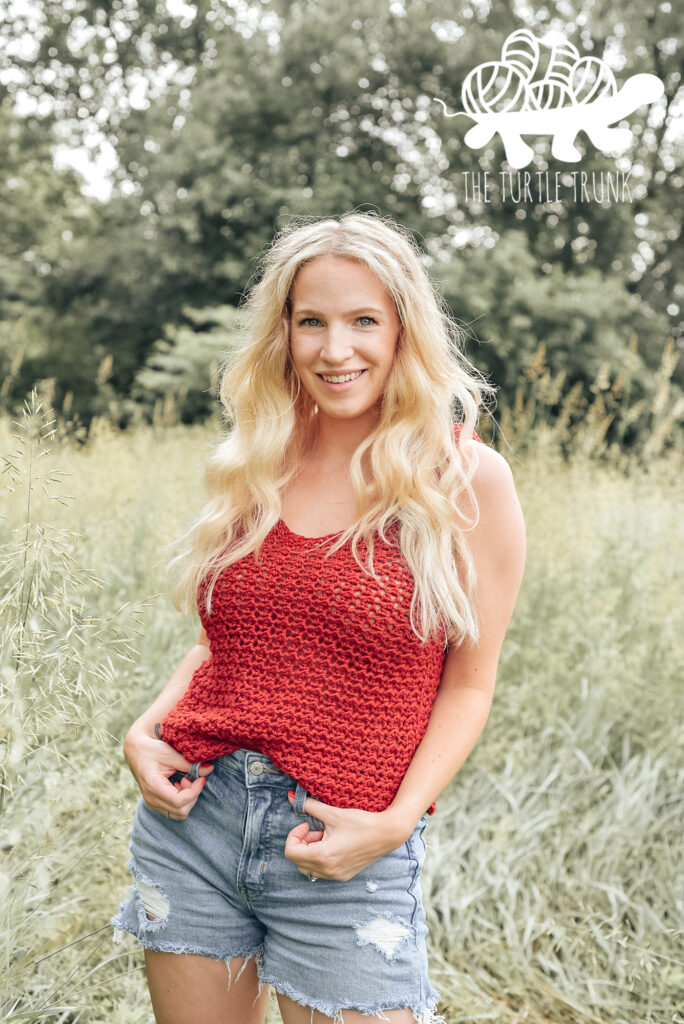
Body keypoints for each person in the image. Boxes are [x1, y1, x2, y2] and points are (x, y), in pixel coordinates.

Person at [111, 210, 526, 1024]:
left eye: (363, 321)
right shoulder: (257, 457)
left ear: (404, 329)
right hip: (197, 818)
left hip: (344, 846)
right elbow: (222, 643)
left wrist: (396, 822)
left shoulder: (465, 479)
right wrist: (146, 729)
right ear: (285, 333)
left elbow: (470, 687)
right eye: (312, 323)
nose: (337, 350)